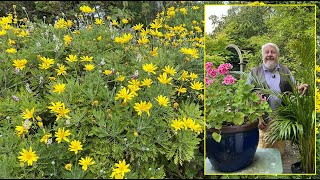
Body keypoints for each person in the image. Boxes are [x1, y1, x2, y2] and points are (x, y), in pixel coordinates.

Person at [247, 42, 308, 155]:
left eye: (272, 52)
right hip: (263, 121)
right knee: (262, 153)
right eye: (267, 52)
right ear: (262, 55)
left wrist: (300, 88)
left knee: (279, 153)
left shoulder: (285, 70)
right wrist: (256, 118)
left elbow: (293, 88)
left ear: (277, 55)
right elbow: (247, 95)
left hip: (281, 120)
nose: (269, 54)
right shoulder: (254, 72)